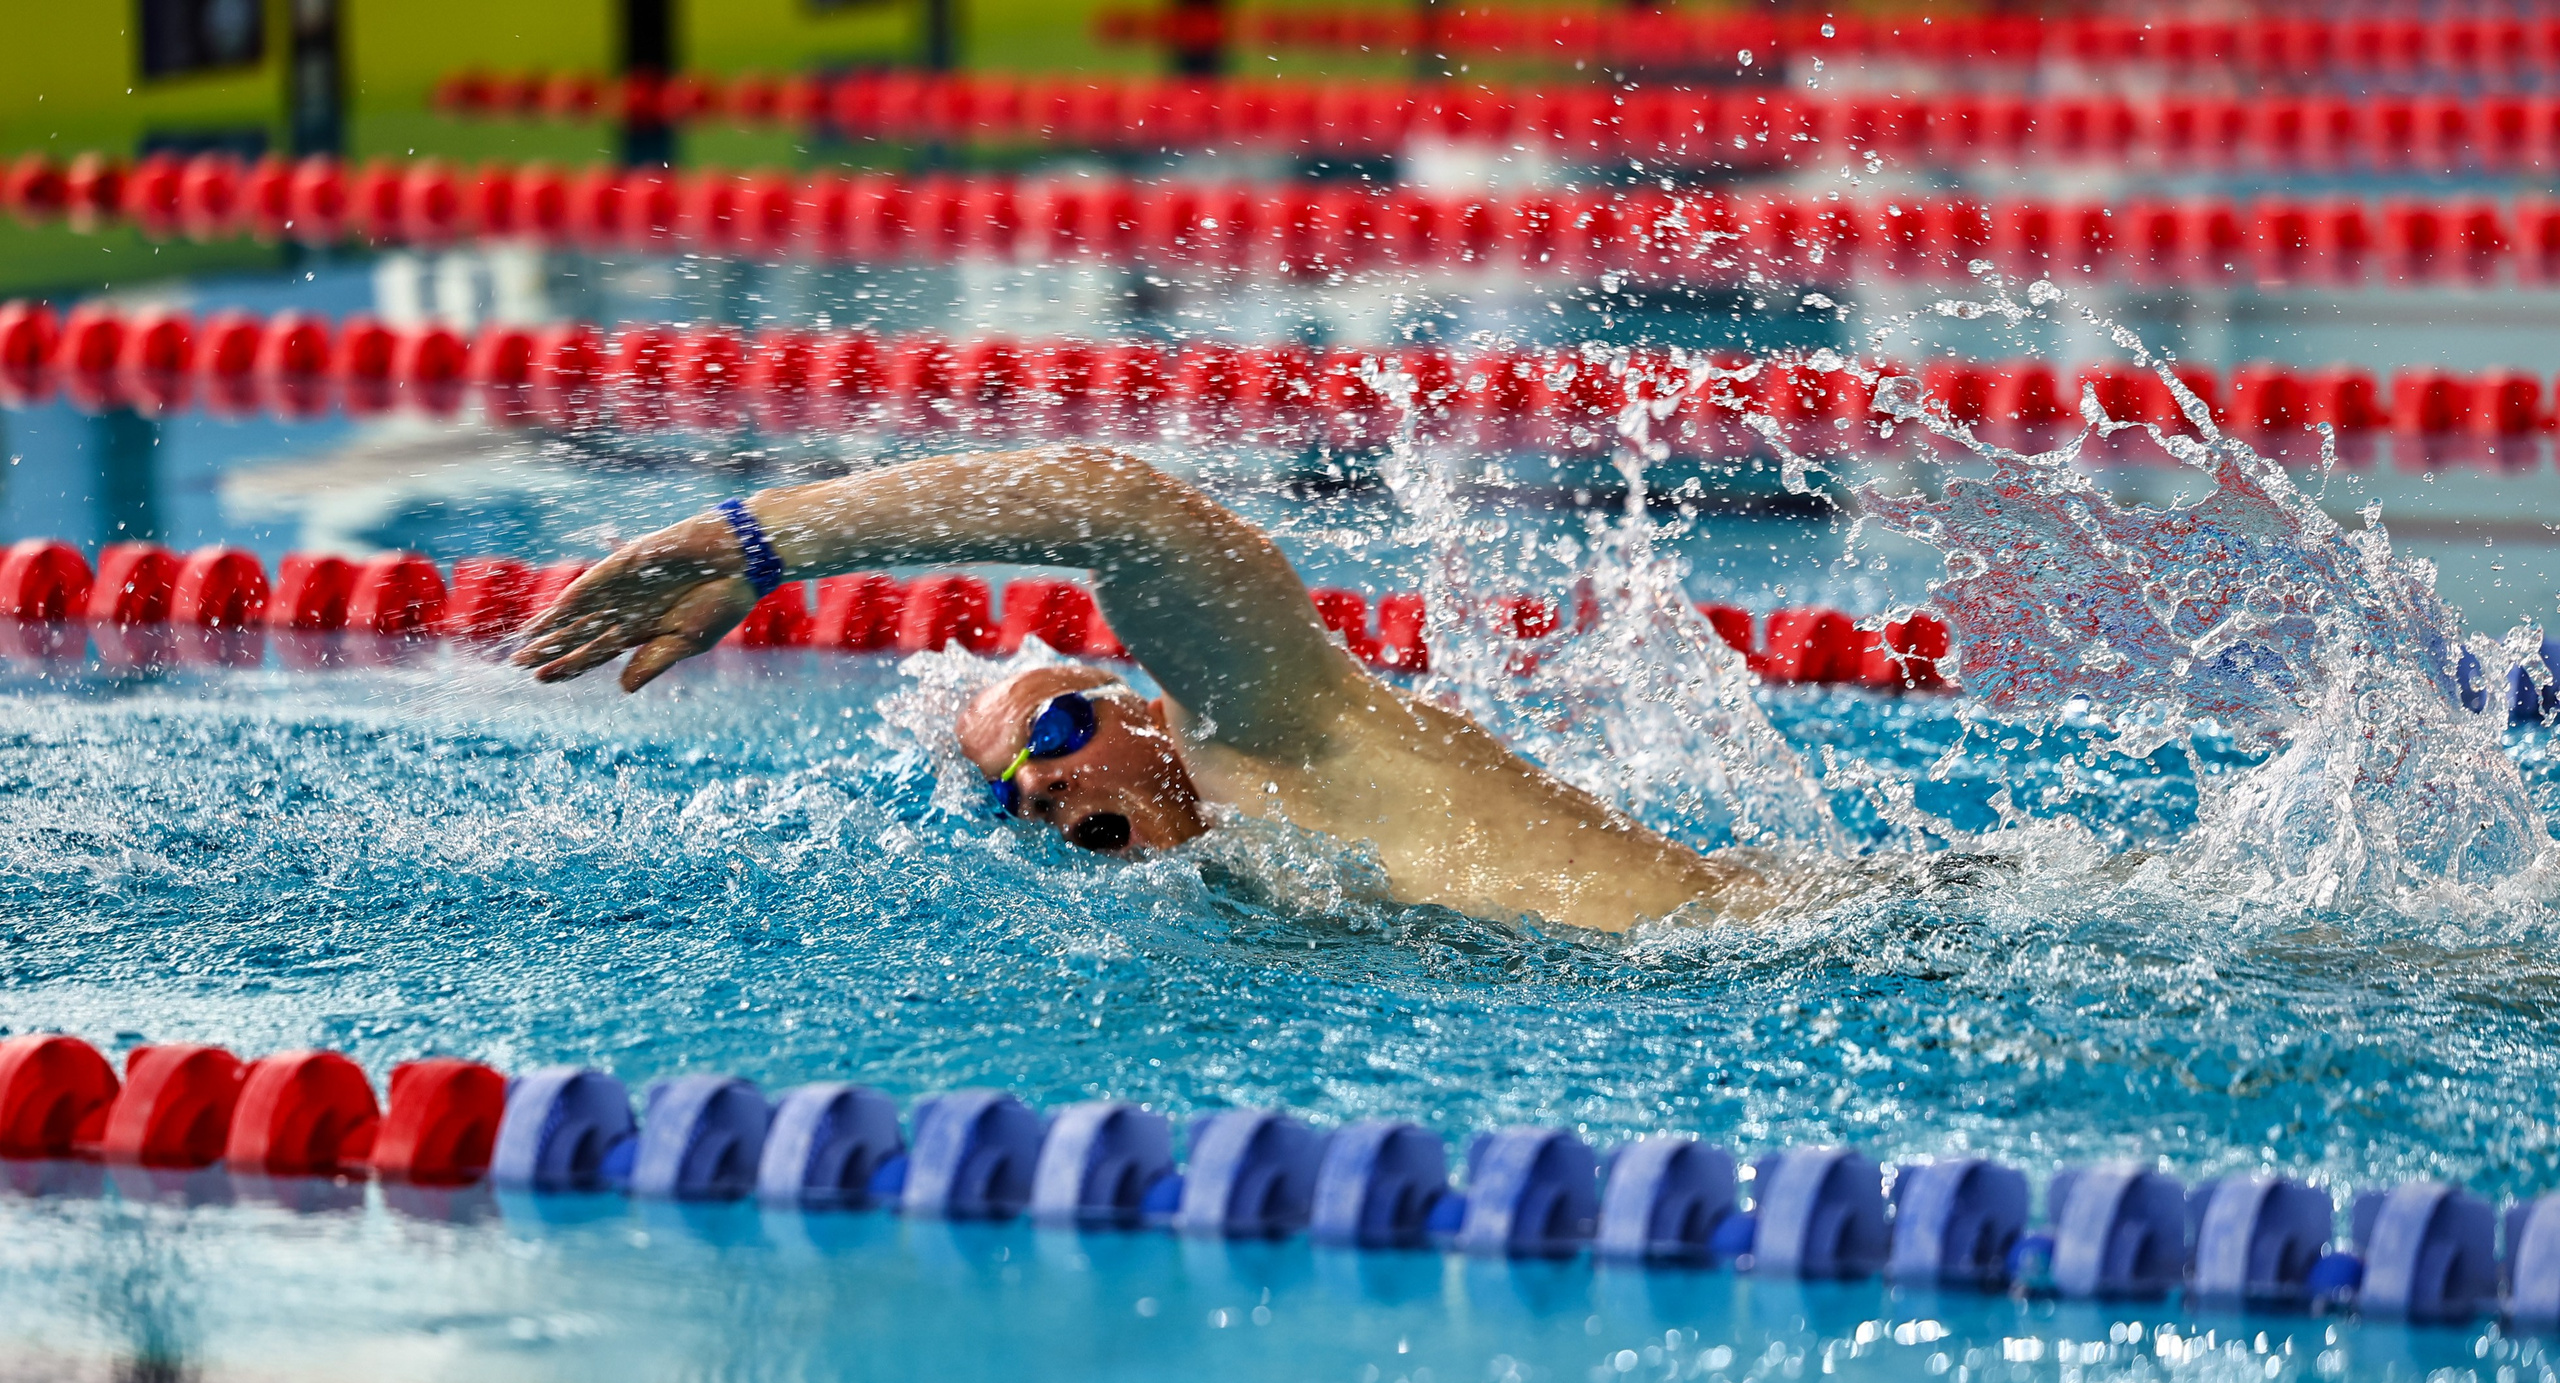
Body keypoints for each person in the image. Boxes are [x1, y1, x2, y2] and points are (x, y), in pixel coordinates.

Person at [510, 445, 1777, 932]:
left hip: (1790, 949)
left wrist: (766, 542)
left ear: (1140, 703)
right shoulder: (1242, 872)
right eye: (1019, 790)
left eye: (1055, 727)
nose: (1045, 778)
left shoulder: (1263, 723)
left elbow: (1121, 508)